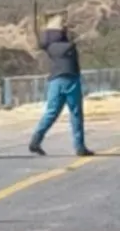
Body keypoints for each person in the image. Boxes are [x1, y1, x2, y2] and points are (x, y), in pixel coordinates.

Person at [29, 12, 94, 157]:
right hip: (71, 80)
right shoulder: (69, 45)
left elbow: (43, 42)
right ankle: (79, 147)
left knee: (51, 113)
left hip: (55, 81)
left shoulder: (49, 46)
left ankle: (36, 140)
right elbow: (73, 36)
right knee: (76, 114)